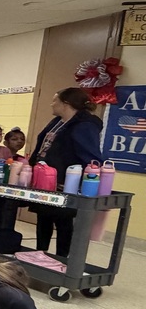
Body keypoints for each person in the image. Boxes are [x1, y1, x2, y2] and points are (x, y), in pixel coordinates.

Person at [29, 87, 103, 257]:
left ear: (66, 104)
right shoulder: (57, 122)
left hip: (66, 182)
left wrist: (87, 182)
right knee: (43, 217)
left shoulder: (84, 126)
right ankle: (40, 253)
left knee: (63, 221)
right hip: (46, 179)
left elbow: (91, 158)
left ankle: (62, 258)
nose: (51, 104)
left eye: (55, 100)